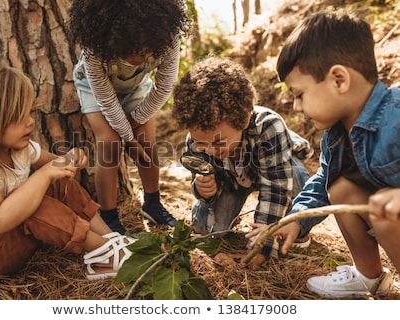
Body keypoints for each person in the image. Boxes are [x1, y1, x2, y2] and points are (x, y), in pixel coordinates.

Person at [252, 11, 400, 297]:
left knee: (385, 206)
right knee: (340, 189)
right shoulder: (335, 135)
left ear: (339, 80)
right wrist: (296, 219)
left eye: (299, 94)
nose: (296, 107)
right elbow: (321, 181)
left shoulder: (395, 114)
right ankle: (369, 276)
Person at [0, 60, 135, 280]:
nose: (30, 122)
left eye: (30, 112)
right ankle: (104, 253)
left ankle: (110, 239)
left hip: (0, 243)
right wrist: (45, 174)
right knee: (35, 202)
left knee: (58, 181)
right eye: (18, 118)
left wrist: (69, 159)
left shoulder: (20, 149)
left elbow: (56, 166)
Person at [171, 56, 313, 268]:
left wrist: (262, 245)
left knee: (298, 179)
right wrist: (204, 190)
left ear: (244, 119)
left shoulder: (269, 126)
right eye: (202, 144)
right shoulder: (197, 139)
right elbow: (200, 178)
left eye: (218, 143)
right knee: (204, 227)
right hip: (231, 181)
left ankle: (297, 227)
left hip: (274, 170)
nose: (209, 150)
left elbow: (275, 188)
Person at [69, 0, 189, 234]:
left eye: (144, 52)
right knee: (110, 143)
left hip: (135, 89)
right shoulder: (95, 48)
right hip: (95, 89)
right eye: (128, 51)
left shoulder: (168, 39)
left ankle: (153, 204)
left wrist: (136, 124)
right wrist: (127, 136)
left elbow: (164, 88)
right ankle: (109, 215)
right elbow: (105, 99)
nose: (137, 58)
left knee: (147, 142)